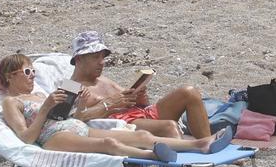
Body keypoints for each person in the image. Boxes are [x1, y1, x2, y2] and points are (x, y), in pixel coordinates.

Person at [0, 53, 222, 162]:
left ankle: (200, 143)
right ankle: (154, 156)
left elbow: (77, 117)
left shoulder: (41, 93)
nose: (32, 76)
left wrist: (78, 106)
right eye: (27, 72)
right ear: (9, 76)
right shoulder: (11, 102)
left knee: (141, 134)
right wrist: (44, 109)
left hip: (73, 125)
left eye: (34, 71)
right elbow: (25, 138)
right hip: (53, 135)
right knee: (109, 143)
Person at [66, 30, 212, 140]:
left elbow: (136, 104)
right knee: (169, 126)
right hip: (124, 126)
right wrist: (108, 105)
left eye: (103, 57)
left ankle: (208, 145)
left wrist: (140, 97)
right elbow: (69, 123)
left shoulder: (102, 78)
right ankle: (195, 166)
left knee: (189, 93)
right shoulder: (70, 86)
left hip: (142, 115)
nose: (102, 62)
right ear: (79, 59)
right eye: (95, 57)